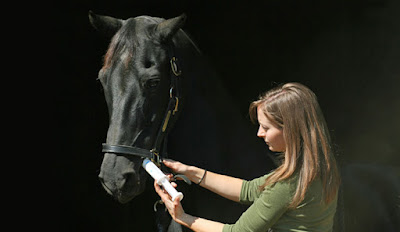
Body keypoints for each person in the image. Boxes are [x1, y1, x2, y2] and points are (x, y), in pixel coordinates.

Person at [154, 82, 341, 232]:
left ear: (291, 130)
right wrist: (192, 172)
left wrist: (182, 218)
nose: (259, 133)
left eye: (266, 127)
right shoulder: (320, 167)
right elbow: (249, 190)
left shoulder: (288, 184)